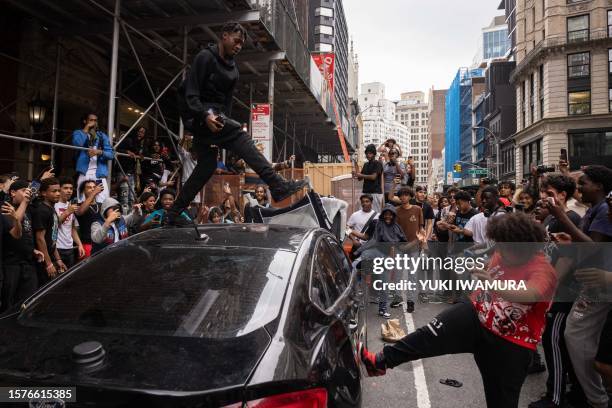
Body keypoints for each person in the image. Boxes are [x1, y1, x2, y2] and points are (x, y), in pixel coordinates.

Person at [359, 212, 558, 408]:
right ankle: (380, 362)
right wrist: (477, 266)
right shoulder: (503, 250)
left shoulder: (542, 269)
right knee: (428, 334)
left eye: (508, 250)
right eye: (500, 246)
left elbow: (530, 293)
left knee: (501, 399)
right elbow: (490, 266)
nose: (502, 253)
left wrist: (494, 284)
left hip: (510, 342)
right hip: (476, 315)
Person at [170, 22, 306, 224]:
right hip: (196, 117)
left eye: (242, 43)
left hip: (214, 120)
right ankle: (277, 185)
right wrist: (205, 117)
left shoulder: (233, 71)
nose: (239, 46)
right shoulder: (205, 57)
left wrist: (220, 127)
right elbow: (190, 94)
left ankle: (173, 213)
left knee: (206, 167)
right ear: (224, 36)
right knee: (241, 136)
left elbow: (226, 105)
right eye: (236, 41)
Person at [551, 165, 612, 408]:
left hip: (600, 288)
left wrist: (562, 217)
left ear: (598, 185)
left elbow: (594, 248)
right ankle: (593, 396)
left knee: (579, 339)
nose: (579, 189)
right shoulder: (595, 210)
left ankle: (597, 399)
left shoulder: (604, 209)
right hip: (592, 285)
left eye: (583, 183)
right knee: (579, 339)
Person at [528, 173, 585, 408]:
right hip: (550, 289)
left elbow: (568, 260)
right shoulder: (552, 218)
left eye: (549, 193)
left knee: (553, 343)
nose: (543, 197)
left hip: (561, 293)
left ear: (563, 195)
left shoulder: (568, 218)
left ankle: (556, 397)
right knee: (552, 341)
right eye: (542, 192)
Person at [360, 204, 408, 318]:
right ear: (382, 215)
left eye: (390, 215)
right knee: (364, 277)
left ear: (393, 216)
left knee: (384, 285)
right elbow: (368, 238)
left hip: (386, 257)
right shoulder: (376, 224)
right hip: (373, 254)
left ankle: (383, 309)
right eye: (386, 214)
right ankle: (361, 302)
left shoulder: (396, 227)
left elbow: (402, 242)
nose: (388, 217)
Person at [1, 180, 41, 313]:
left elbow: (23, 235)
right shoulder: (6, 208)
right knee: (9, 305)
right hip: (11, 264)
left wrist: (32, 250)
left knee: (28, 302)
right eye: (24, 191)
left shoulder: (27, 210)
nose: (27, 194)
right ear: (12, 192)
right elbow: (14, 233)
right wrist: (24, 202)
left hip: (27, 262)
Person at [394, 187, 425, 312]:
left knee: (413, 275)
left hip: (414, 247)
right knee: (398, 273)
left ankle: (411, 300)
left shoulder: (417, 209)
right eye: (401, 195)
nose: (403, 197)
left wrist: (419, 243)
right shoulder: (395, 211)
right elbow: (394, 230)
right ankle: (398, 297)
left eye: (406, 195)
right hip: (399, 247)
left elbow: (421, 230)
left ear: (410, 196)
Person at [72, 113, 114, 203]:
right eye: (91, 120)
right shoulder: (79, 133)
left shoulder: (102, 136)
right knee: (82, 200)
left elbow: (111, 154)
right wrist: (86, 128)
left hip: (99, 174)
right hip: (84, 173)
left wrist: (99, 152)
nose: (94, 123)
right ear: (85, 121)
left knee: (103, 201)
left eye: (95, 120)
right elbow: (78, 144)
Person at [32, 178, 66, 285]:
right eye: (53, 191)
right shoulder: (41, 210)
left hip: (51, 256)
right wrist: (49, 264)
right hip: (41, 260)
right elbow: (40, 238)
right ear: (43, 193)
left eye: (58, 191)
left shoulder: (52, 209)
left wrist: (58, 259)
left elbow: (52, 238)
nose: (57, 194)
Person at [54, 178, 85, 269]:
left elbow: (72, 228)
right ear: (59, 189)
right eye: (66, 188)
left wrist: (79, 244)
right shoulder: (54, 205)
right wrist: (67, 212)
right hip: (57, 249)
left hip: (69, 248)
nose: (69, 191)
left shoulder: (70, 205)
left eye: (71, 189)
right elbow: (54, 225)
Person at [75, 180, 104, 258]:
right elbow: (80, 212)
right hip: (87, 244)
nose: (92, 189)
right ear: (83, 191)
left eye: (94, 187)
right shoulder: (79, 205)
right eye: (89, 187)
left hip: (101, 243)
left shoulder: (102, 205)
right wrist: (94, 193)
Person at [353, 144, 384, 213]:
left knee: (375, 214)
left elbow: (373, 177)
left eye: (370, 153)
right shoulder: (366, 164)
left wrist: (360, 175)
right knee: (362, 213)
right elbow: (360, 178)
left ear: (374, 154)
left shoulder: (378, 163)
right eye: (367, 153)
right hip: (365, 192)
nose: (368, 155)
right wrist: (356, 172)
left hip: (375, 193)